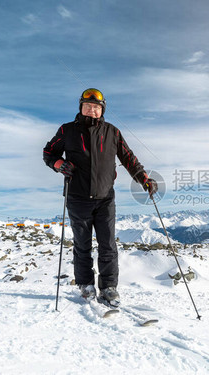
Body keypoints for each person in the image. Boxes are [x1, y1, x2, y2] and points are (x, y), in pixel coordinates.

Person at [43, 88, 157, 307]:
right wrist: (59, 164)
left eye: (96, 107)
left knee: (107, 245)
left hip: (105, 198)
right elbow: (49, 152)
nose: (92, 110)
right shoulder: (67, 130)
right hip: (77, 197)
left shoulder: (112, 132)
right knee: (82, 244)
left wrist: (143, 178)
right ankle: (86, 285)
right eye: (88, 106)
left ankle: (108, 288)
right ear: (81, 107)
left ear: (101, 109)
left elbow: (128, 158)